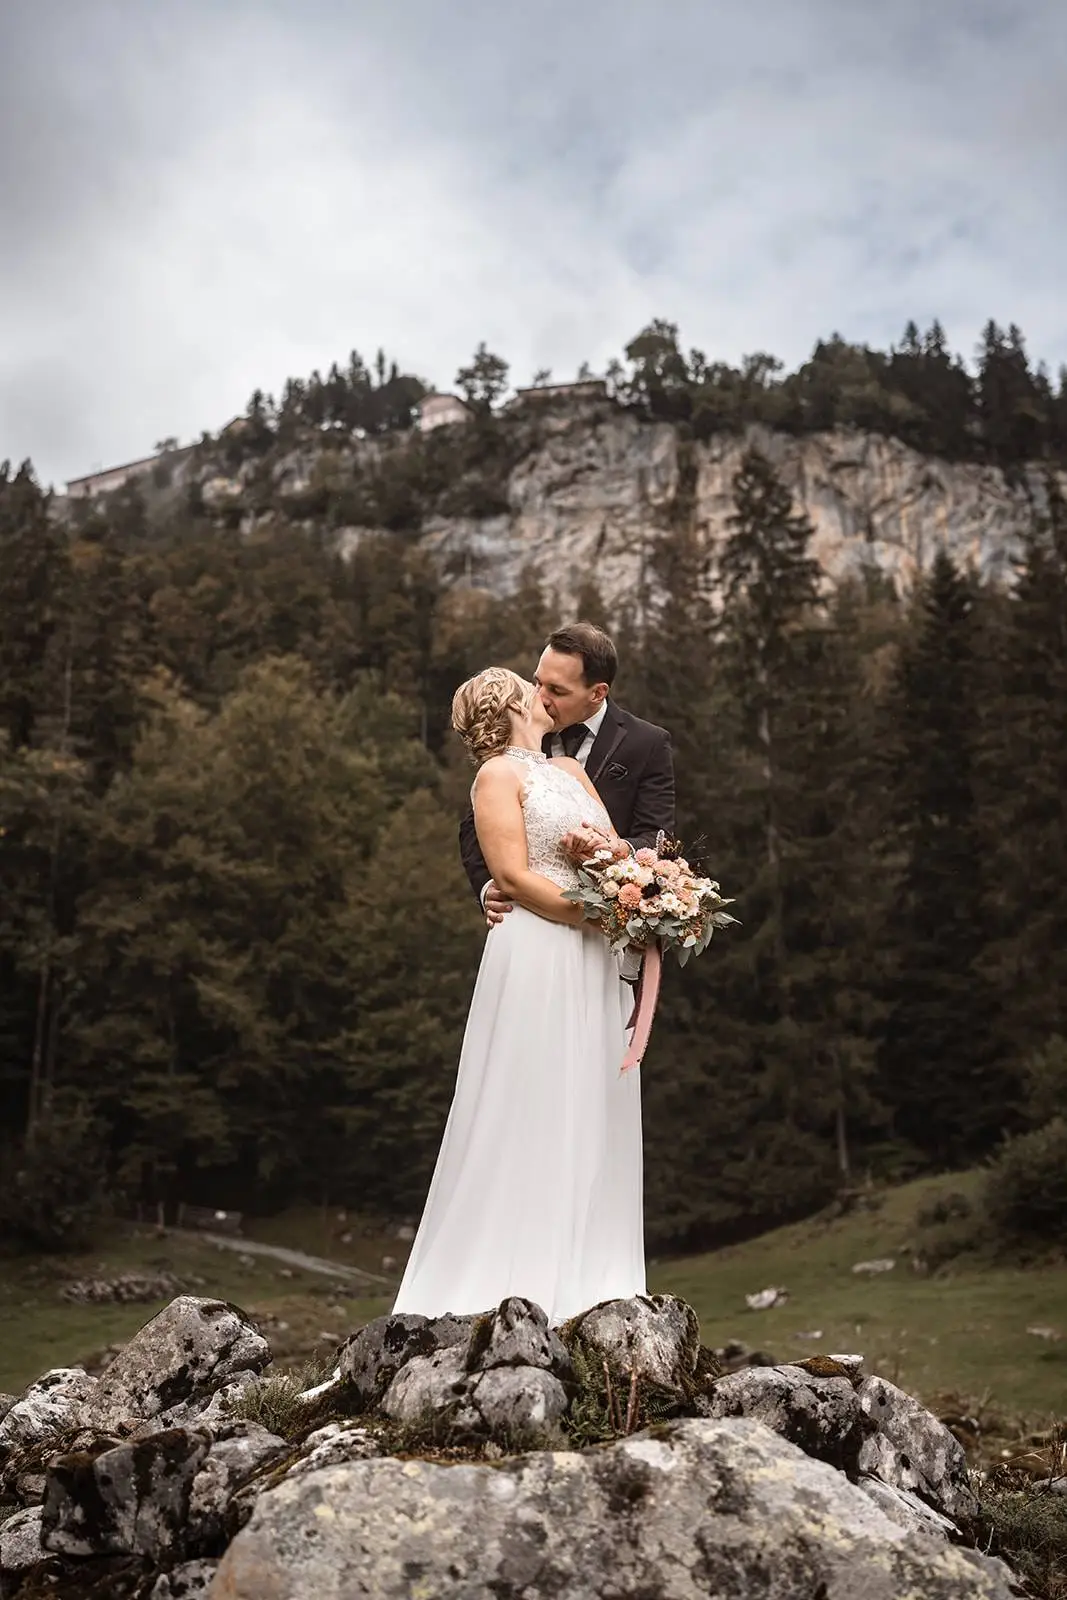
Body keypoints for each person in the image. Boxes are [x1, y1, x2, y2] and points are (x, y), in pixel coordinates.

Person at [391, 664, 651, 1324]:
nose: (543, 693)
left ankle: (596, 1279)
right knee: (533, 1092)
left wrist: (623, 879)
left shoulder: (569, 772)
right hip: (539, 949)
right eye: (530, 686)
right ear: (510, 707)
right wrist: (598, 914)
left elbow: (616, 852)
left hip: (595, 956)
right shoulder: (496, 776)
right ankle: (515, 1276)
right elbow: (510, 875)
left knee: (594, 1098)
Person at [459, 622, 675, 929]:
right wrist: (486, 888)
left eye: (557, 690)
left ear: (597, 693)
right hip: (534, 917)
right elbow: (475, 823)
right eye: (537, 682)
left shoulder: (647, 743)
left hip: (614, 921)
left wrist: (617, 853)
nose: (541, 697)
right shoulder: (519, 732)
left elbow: (657, 835)